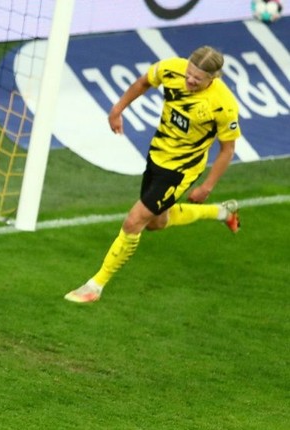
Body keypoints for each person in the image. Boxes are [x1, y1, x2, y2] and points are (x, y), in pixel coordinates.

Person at [64, 45, 242, 303]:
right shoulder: (172, 69)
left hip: (181, 170)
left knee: (134, 221)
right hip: (157, 154)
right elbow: (143, 82)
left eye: (198, 78)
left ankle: (95, 285)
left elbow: (228, 149)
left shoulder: (223, 105)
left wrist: (207, 185)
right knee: (157, 223)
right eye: (189, 73)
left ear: (213, 78)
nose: (190, 80)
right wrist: (117, 109)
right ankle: (223, 212)